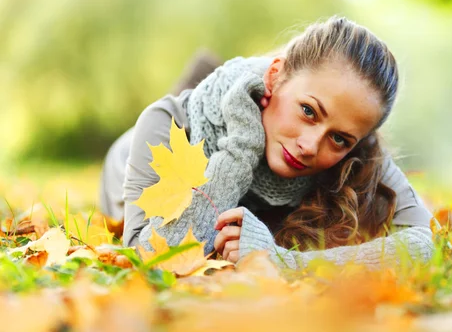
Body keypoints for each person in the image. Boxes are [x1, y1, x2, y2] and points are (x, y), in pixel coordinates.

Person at [99, 16, 434, 270]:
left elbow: (421, 245)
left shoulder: (353, 138)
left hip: (273, 98)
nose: (310, 146)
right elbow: (149, 258)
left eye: (339, 138)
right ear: (275, 76)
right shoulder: (165, 121)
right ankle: (211, 76)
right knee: (194, 104)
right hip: (130, 154)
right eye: (308, 111)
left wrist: (285, 262)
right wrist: (243, 148)